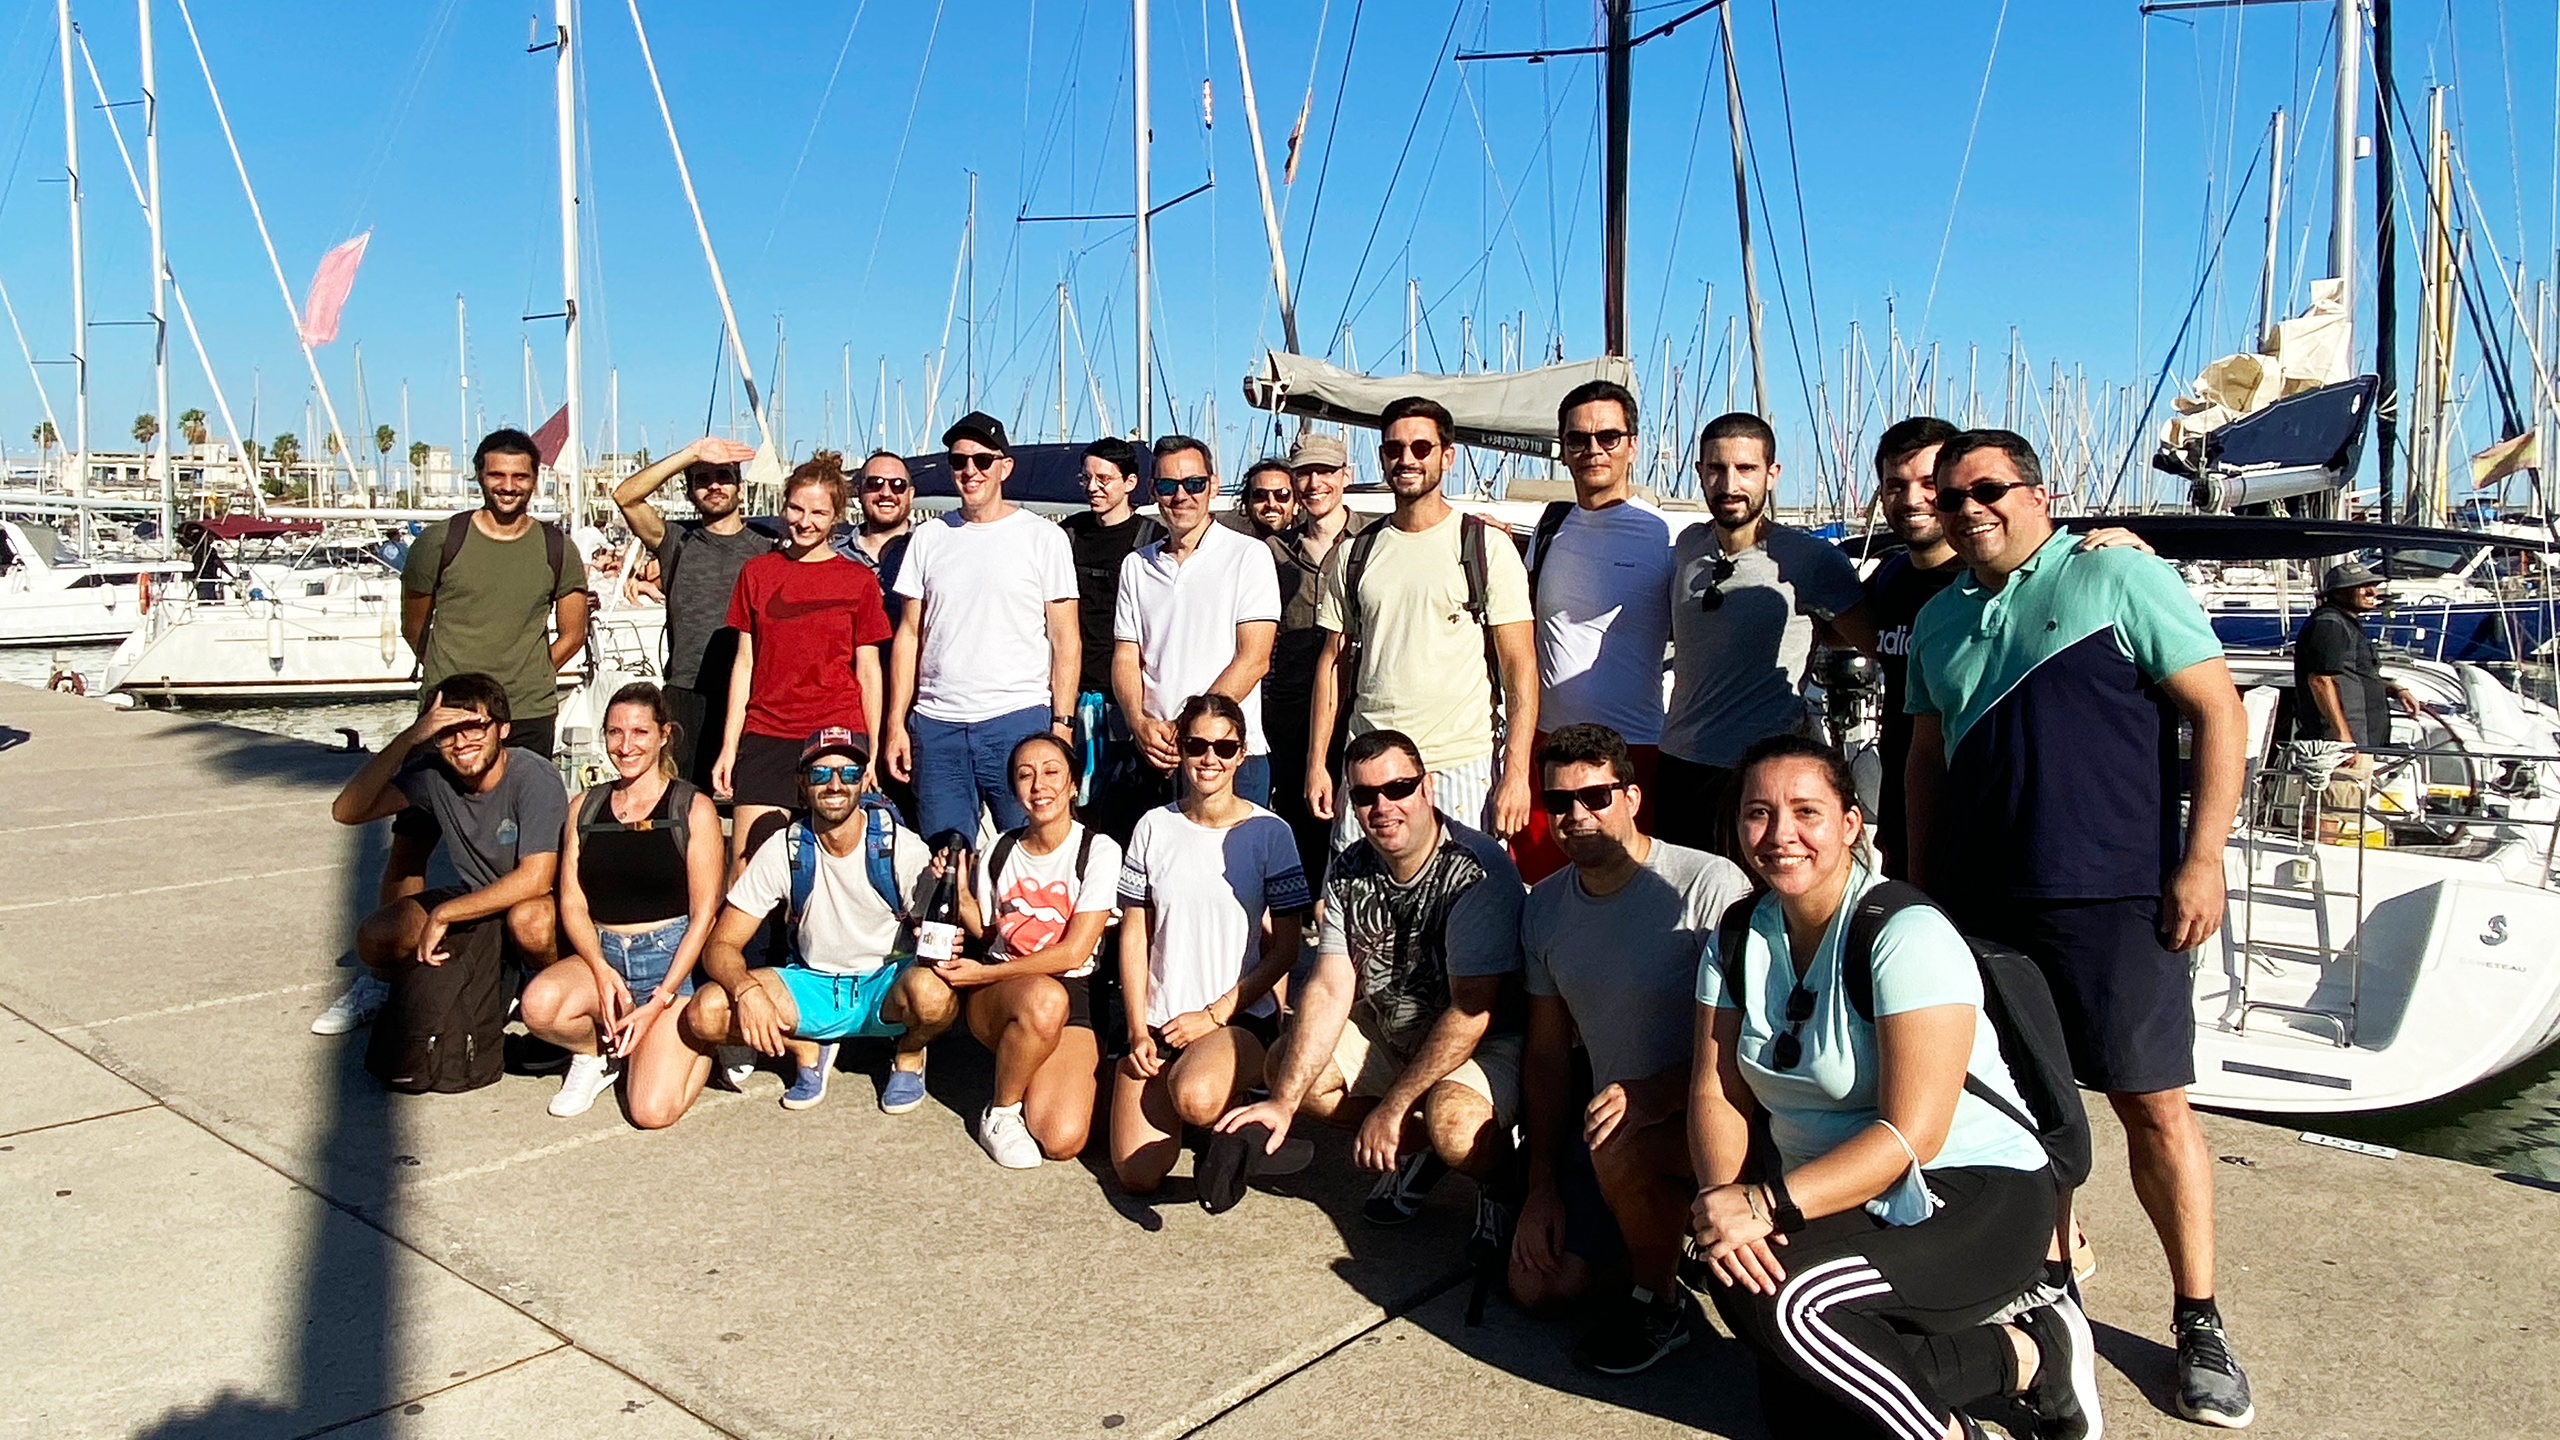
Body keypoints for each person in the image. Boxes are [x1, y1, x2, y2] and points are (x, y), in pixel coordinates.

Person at [1902, 428, 2254, 1428]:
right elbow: (1925, 764)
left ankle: (2199, 1317)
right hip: (1985, 907)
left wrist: (2201, 859)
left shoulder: (2114, 578)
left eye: (1989, 488)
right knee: (2026, 1124)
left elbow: (2217, 713)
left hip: (2114, 900)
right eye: (1951, 493)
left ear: (2035, 493)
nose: (1970, 507)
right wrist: (1923, 893)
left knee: (2152, 1108)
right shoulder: (1938, 619)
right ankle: (2048, 1298)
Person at [1690, 735, 2101, 1440]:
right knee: (1762, 1320)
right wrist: (1723, 1206)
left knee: (1795, 1310)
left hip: (1972, 1191)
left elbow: (1913, 1134)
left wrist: (1763, 1202)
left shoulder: (1904, 932)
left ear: (1851, 824)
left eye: (1806, 812)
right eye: (1759, 813)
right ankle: (2033, 1352)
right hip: (1836, 1195)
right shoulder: (1737, 936)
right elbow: (1716, 1090)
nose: (1780, 834)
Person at [1212, 727, 1526, 1242]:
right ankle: (1422, 1154)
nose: (1383, 806)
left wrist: (1394, 1106)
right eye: (1364, 795)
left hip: (1486, 1042)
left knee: (1454, 1123)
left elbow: (1471, 1013)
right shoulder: (1349, 867)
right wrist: (1283, 1104)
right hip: (1395, 1027)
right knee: (1287, 1070)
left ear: (1427, 789)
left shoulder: (1475, 871)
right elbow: (1331, 985)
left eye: (1398, 788)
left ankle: (1510, 1186)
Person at [1511, 723, 1750, 1374]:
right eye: (1559, 803)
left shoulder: (1708, 888)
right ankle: (1652, 1234)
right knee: (1538, 1287)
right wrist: (1539, 1189)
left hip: (1719, 1121)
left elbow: (1753, 1047)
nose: (1576, 816)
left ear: (1633, 797)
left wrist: (1655, 1095)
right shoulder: (1545, 909)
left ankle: (1658, 1297)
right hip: (1614, 1129)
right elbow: (1547, 1056)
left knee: (1619, 1137)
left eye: (1595, 797)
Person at [1865, 418, 2153, 877]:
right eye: (1895, 486)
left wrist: (2132, 551)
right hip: (1917, 829)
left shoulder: (1999, 583)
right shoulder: (1890, 580)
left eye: (1928, 484)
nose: (1914, 499)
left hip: (2044, 850)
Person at [679, 727, 958, 1114]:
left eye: (847, 773)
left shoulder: (897, 843)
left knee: (935, 994)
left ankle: (910, 1053)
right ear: (801, 784)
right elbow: (721, 945)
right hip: (811, 985)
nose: (835, 785)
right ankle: (806, 1046)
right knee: (705, 1011)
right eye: (820, 774)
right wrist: (747, 990)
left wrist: (956, 879)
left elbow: (949, 934)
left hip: (885, 983)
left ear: (864, 779)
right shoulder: (785, 847)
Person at [1109, 693, 1313, 1210]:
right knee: (1137, 1175)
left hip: (1235, 1018)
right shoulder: (1153, 826)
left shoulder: (1272, 833)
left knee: (1195, 1097)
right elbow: (1134, 933)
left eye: (1225, 747)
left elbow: (1287, 948)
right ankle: (1225, 1130)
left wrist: (1215, 1014)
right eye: (1197, 745)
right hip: (1160, 1020)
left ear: (1242, 754)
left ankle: (1234, 1122)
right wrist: (1136, 1028)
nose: (1210, 759)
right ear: (1179, 748)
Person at [1309, 395, 1538, 844]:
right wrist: (1318, 763)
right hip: (1368, 762)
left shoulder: (1485, 547)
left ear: (1446, 456)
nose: (1406, 459)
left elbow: (1520, 670)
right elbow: (1332, 666)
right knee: (1362, 910)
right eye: (1394, 449)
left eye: (1421, 448)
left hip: (1459, 766)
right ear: (1381, 457)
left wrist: (1516, 774)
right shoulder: (1354, 553)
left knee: (1463, 909)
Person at [1658, 412, 1870, 856]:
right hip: (1679, 764)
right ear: (1700, 473)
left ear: (1771, 475)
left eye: (1746, 469)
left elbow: (1868, 640)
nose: (1729, 483)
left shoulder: (1808, 560)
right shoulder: (1688, 547)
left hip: (1760, 772)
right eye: (1716, 469)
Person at [317, 673, 566, 1037]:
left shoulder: (533, 774)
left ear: (503, 729)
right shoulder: (434, 774)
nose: (461, 742)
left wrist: (445, 913)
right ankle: (389, 987)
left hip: (539, 903)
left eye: (474, 728)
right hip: (477, 903)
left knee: (529, 922)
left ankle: (550, 993)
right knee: (374, 938)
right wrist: (410, 738)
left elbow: (537, 879)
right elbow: (347, 811)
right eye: (447, 732)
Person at [517, 683, 725, 1120]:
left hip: (669, 964)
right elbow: (573, 904)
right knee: (538, 1007)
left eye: (639, 732)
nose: (625, 746)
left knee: (651, 1111)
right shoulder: (585, 808)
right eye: (614, 733)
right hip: (605, 954)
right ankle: (595, 1055)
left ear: (664, 734)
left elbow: (704, 915)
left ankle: (701, 1043)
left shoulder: (693, 807)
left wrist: (661, 998)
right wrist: (599, 967)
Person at [1510, 380, 1678, 884]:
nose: (1593, 450)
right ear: (1563, 450)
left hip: (1634, 753)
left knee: (1626, 897)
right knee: (1543, 895)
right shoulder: (1551, 525)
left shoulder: (1665, 535)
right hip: (1550, 749)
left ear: (1632, 444)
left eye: (1608, 436)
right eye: (1578, 439)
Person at [885, 412, 1080, 843]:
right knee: (946, 857)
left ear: (1004, 467)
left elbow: (1066, 639)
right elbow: (909, 635)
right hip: (938, 726)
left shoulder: (1042, 538)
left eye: (982, 461)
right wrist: (896, 723)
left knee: (1034, 847)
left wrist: (1061, 725)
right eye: (959, 461)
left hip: (1018, 719)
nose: (970, 471)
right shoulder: (928, 537)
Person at [940, 731, 1122, 1167]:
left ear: (1074, 784)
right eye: (1025, 776)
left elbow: (1075, 954)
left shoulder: (1098, 850)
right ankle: (1001, 1111)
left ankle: (1090, 1077)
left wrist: (980, 973)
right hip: (1004, 992)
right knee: (1043, 997)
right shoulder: (1000, 850)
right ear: (1015, 791)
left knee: (1061, 1139)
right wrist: (958, 892)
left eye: (1051, 772)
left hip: (1073, 992)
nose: (1039, 785)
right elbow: (989, 935)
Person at [710, 453, 893, 877]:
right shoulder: (757, 573)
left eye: (818, 512)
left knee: (831, 868)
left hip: (836, 732)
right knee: (749, 867)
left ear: (836, 518)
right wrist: (728, 746)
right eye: (796, 508)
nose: (805, 521)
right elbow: (745, 664)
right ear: (783, 506)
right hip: (767, 731)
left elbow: (869, 670)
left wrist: (873, 750)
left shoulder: (859, 581)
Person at [1112, 435, 1282, 809]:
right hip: (1153, 755)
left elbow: (1253, 658)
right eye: (1169, 485)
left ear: (1213, 486)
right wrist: (1138, 723)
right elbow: (1127, 656)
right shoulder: (1136, 565)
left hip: (1227, 752)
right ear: (1153, 489)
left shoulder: (1248, 556)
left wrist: (1188, 728)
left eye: (1194, 484)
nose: (1181, 496)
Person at [402, 428, 591, 758]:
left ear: (535, 478)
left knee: (522, 806)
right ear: (479, 475)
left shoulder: (558, 548)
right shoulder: (438, 542)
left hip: (527, 712)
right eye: (497, 475)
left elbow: (573, 634)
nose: (508, 486)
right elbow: (413, 626)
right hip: (448, 709)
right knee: (433, 806)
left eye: (520, 476)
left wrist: (533, 675)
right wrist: (446, 675)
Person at [612, 437, 770, 787]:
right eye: (702, 478)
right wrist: (690, 455)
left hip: (752, 692)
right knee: (680, 799)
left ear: (740, 490)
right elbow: (625, 496)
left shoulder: (767, 549)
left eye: (724, 476)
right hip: (686, 692)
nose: (714, 485)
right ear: (689, 491)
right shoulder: (675, 540)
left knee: (750, 799)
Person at [1263, 432, 1374, 887]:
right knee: (1296, 811)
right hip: (1290, 706)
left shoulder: (1374, 538)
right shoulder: (1272, 550)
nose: (1314, 483)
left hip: (1355, 699)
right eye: (1305, 473)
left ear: (1345, 477)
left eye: (1325, 472)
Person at [1060, 437, 1160, 827]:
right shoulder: (1067, 535)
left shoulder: (1153, 539)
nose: (1093, 487)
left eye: (1104, 478)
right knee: (1078, 811)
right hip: (1075, 692)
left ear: (1130, 482)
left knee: (1128, 810)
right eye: (1087, 478)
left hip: (1128, 698)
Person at [2291, 559, 2418, 832]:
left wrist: (2394, 688)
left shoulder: (2346, 623)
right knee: (2331, 814)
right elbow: (2320, 680)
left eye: (2371, 584)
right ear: (2337, 593)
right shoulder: (2329, 625)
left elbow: (2352, 675)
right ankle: (2315, 862)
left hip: (2357, 739)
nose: (2371, 590)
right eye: (2360, 586)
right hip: (2343, 743)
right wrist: (2342, 737)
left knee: (2341, 810)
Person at [834, 449, 918, 623]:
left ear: (910, 494)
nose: (886, 493)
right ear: (859, 492)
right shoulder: (833, 556)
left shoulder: (931, 550)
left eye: (897, 485)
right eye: (874, 483)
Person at [1220, 457, 1299, 538]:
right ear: (1247, 504)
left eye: (1282, 495)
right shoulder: (1236, 548)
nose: (1271, 504)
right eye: (1260, 495)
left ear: (1296, 504)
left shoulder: (1309, 548)